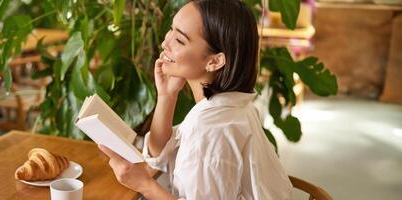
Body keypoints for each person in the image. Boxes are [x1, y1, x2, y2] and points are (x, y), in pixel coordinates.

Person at [97, 0, 293, 199]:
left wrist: (145, 185)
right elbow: (160, 152)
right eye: (171, 30)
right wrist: (167, 96)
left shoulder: (211, 129)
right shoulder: (231, 104)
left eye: (180, 40)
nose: (165, 43)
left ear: (214, 61)